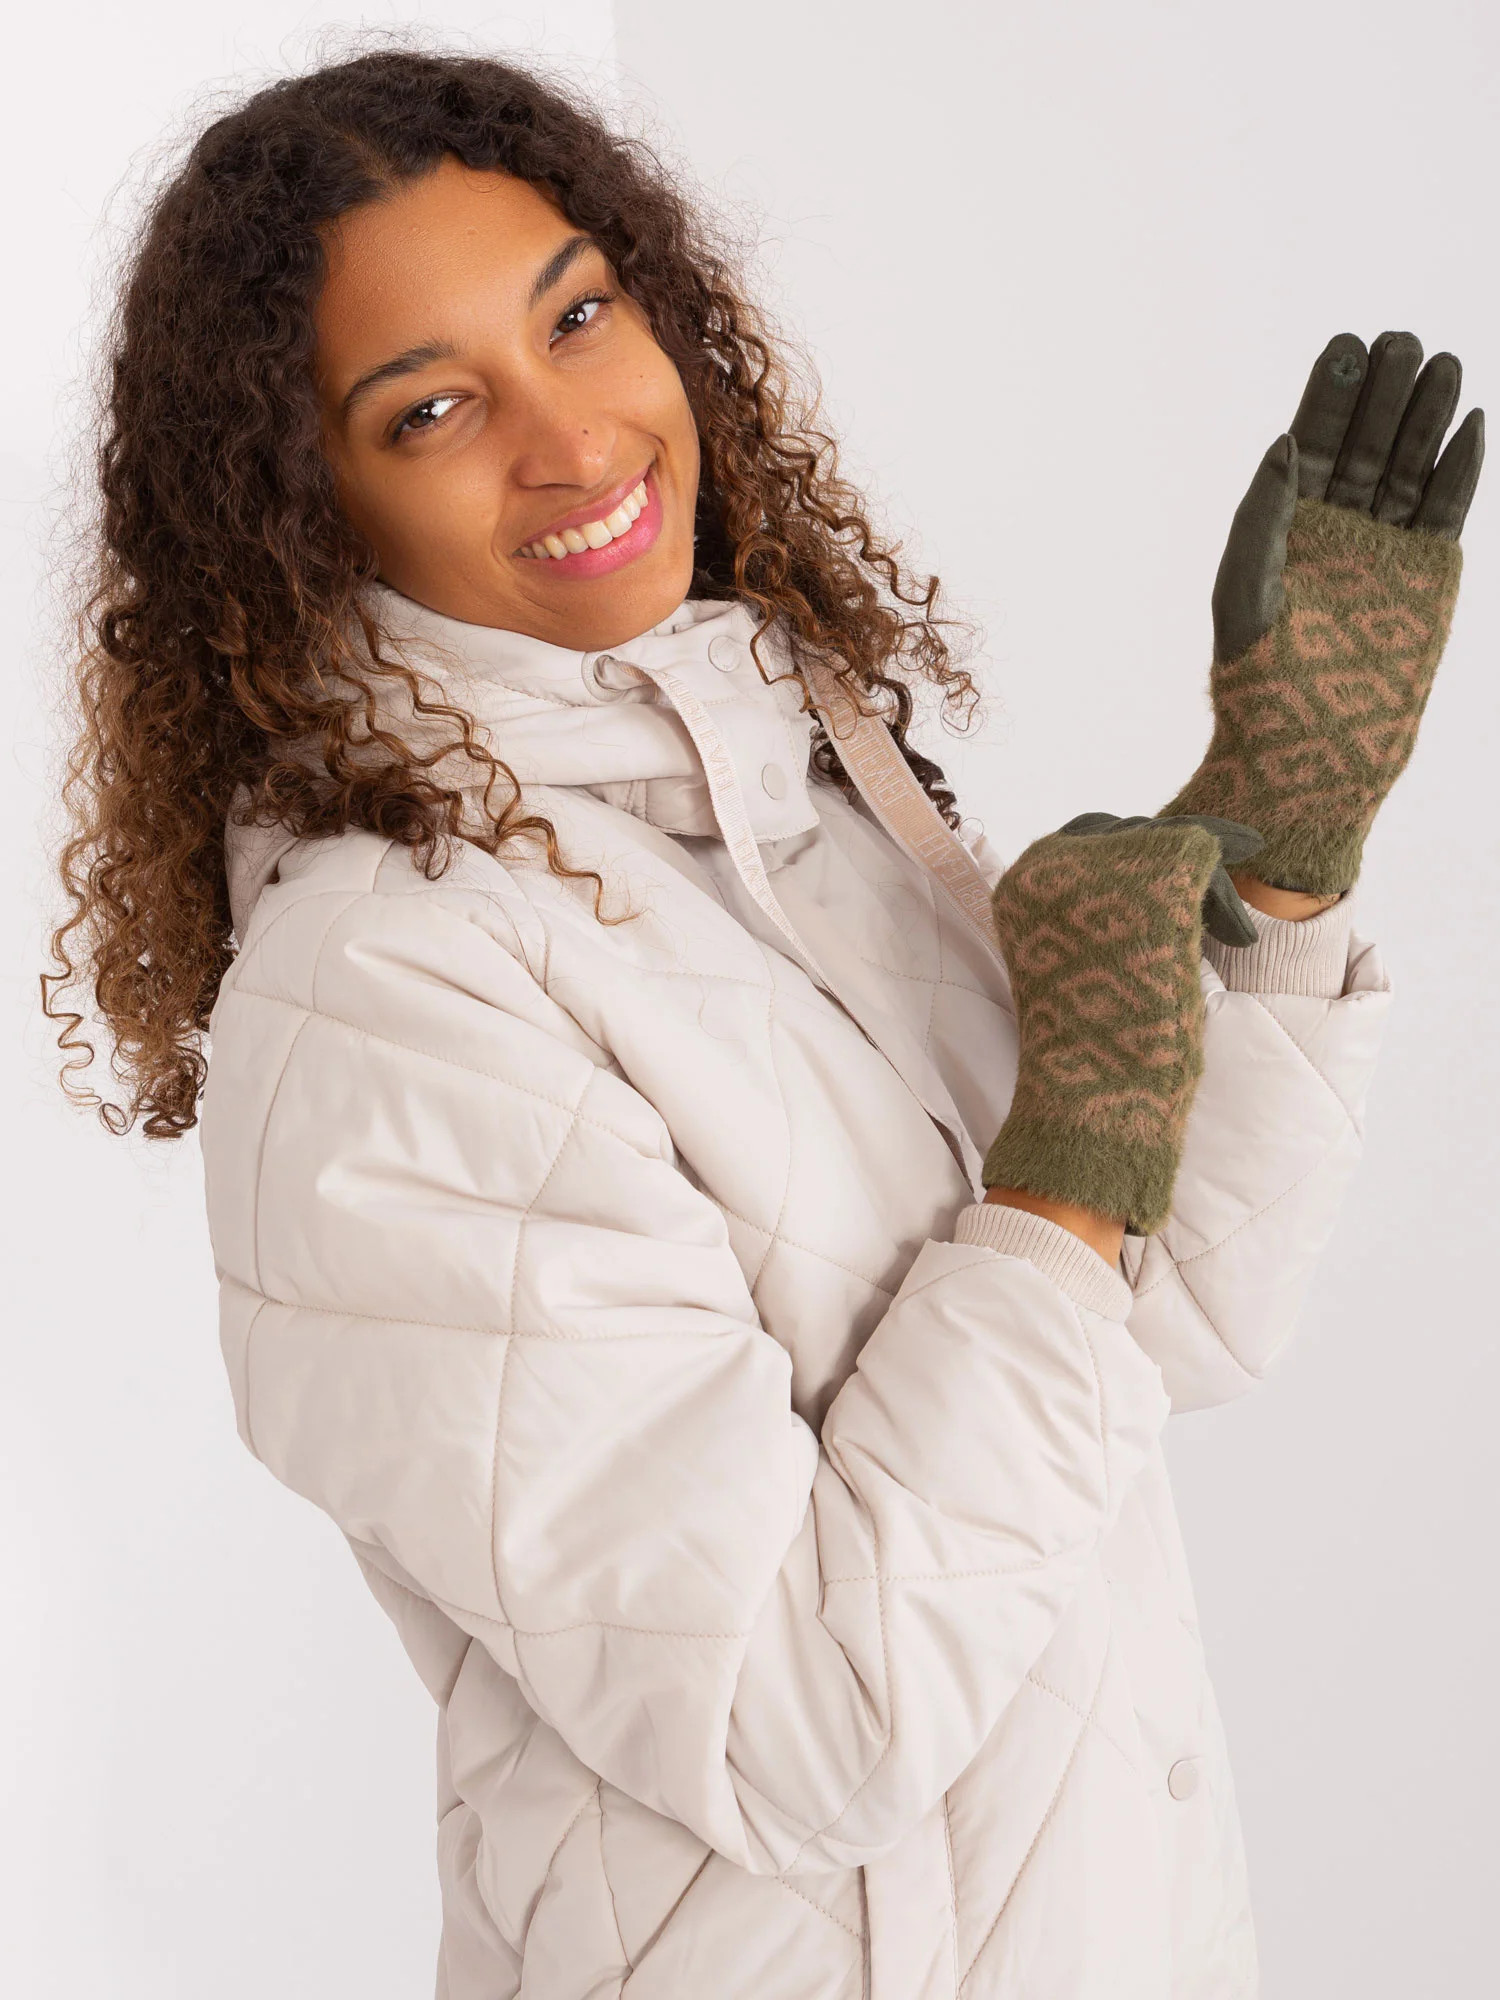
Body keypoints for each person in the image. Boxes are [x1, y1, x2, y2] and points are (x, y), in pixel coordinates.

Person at [46, 47, 1482, 2000]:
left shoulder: (795, 805)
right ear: (305, 510)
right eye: (433, 408)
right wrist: (1065, 1155)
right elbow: (800, 1720)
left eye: (578, 315)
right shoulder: (386, 995)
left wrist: (1281, 849)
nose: (573, 439)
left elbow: (1170, 1328)